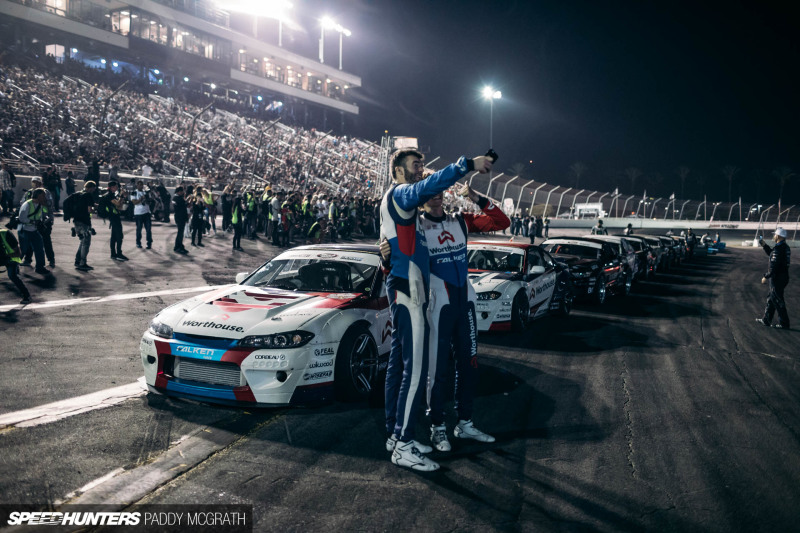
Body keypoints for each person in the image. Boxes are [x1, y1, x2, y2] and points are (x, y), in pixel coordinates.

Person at [381, 148, 493, 472]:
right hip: (409, 291)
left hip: (413, 290)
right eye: (416, 166)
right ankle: (402, 443)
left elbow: (396, 246)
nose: (421, 170)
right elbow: (424, 190)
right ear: (399, 171)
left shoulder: (410, 212)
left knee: (401, 367)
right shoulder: (402, 194)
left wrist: (385, 254)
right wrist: (467, 165)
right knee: (415, 371)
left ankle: (397, 435)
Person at [756, 228, 790, 329]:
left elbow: (774, 266)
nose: (773, 236)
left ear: (778, 236)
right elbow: (772, 254)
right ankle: (766, 320)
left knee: (778, 300)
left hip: (777, 278)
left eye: (774, 235)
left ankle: (784, 323)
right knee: (771, 298)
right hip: (782, 277)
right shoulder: (784, 247)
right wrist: (764, 245)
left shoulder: (779, 249)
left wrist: (766, 276)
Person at [21, 177, 56, 268]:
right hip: (32, 222)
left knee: (46, 241)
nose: (35, 184)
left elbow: (50, 205)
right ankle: (27, 260)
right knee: (30, 241)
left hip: (45, 221)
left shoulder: (45, 192)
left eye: (37, 182)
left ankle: (51, 260)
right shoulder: (28, 192)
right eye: (33, 182)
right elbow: (22, 203)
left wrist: (41, 200)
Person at [17, 188, 51, 276]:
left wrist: (45, 206)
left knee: (39, 248)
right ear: (38, 196)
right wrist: (33, 221)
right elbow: (22, 218)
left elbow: (45, 213)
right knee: (23, 249)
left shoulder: (40, 204)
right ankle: (14, 266)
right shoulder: (27, 204)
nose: (44, 197)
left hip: (34, 230)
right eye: (43, 195)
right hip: (24, 230)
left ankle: (40, 267)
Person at [0, 225, 31, 304]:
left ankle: (26, 296)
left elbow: (18, 252)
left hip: (11, 258)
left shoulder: (6, 234)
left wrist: (6, 257)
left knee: (12, 276)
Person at [73, 181, 97, 271]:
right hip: (84, 222)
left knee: (82, 242)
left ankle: (77, 261)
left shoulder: (79, 194)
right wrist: (95, 210)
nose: (94, 190)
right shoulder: (88, 195)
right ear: (90, 187)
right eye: (94, 188)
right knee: (86, 242)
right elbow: (90, 210)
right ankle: (82, 263)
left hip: (76, 221)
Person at [101, 181, 128, 261]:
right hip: (113, 217)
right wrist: (122, 196)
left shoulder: (112, 195)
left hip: (115, 216)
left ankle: (113, 253)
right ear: (112, 187)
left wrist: (122, 197)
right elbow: (118, 204)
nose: (117, 188)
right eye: (116, 186)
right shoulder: (109, 196)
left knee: (114, 236)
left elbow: (119, 207)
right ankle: (118, 253)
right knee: (119, 236)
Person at [130, 181, 153, 249]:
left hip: (146, 212)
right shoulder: (134, 193)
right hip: (138, 213)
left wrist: (147, 199)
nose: (140, 186)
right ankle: (138, 242)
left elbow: (150, 202)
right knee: (139, 229)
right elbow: (134, 202)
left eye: (141, 185)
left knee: (148, 229)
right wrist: (141, 198)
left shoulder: (146, 192)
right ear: (137, 185)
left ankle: (149, 243)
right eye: (139, 185)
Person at [172, 187, 189, 254]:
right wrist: (187, 199)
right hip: (180, 217)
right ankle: (177, 246)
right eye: (182, 191)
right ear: (179, 191)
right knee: (180, 233)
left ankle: (180, 246)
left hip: (179, 216)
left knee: (180, 233)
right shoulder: (178, 198)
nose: (183, 193)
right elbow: (184, 206)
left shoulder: (175, 198)